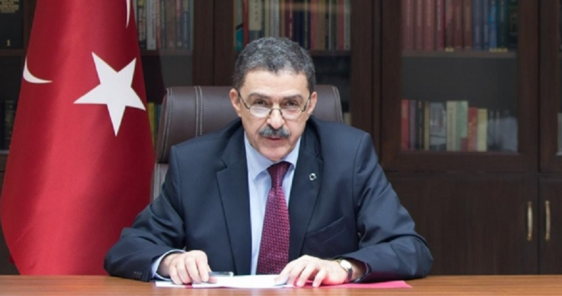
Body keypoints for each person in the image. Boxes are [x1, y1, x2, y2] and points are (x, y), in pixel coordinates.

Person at [104, 37, 432, 286]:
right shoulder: (194, 164)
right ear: (237, 102)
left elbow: (409, 248)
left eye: (290, 105)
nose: (275, 122)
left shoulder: (348, 155)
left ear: (310, 105)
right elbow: (128, 249)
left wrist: (344, 267)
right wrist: (170, 261)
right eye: (260, 103)